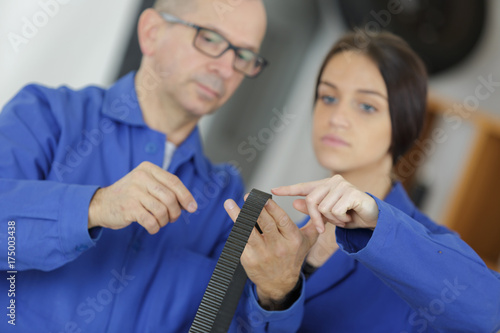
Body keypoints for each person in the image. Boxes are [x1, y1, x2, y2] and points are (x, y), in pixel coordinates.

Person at [0, 0, 267, 332]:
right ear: (151, 32)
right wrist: (95, 206)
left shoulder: (224, 196)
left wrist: (281, 292)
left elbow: (234, 323)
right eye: (210, 38)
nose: (226, 69)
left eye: (243, 56)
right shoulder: (44, 115)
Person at [224, 31, 500, 332]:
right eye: (328, 97)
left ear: (403, 123)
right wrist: (275, 295)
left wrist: (378, 222)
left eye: (367, 106)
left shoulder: (428, 246)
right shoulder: (284, 240)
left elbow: (491, 311)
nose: (337, 117)